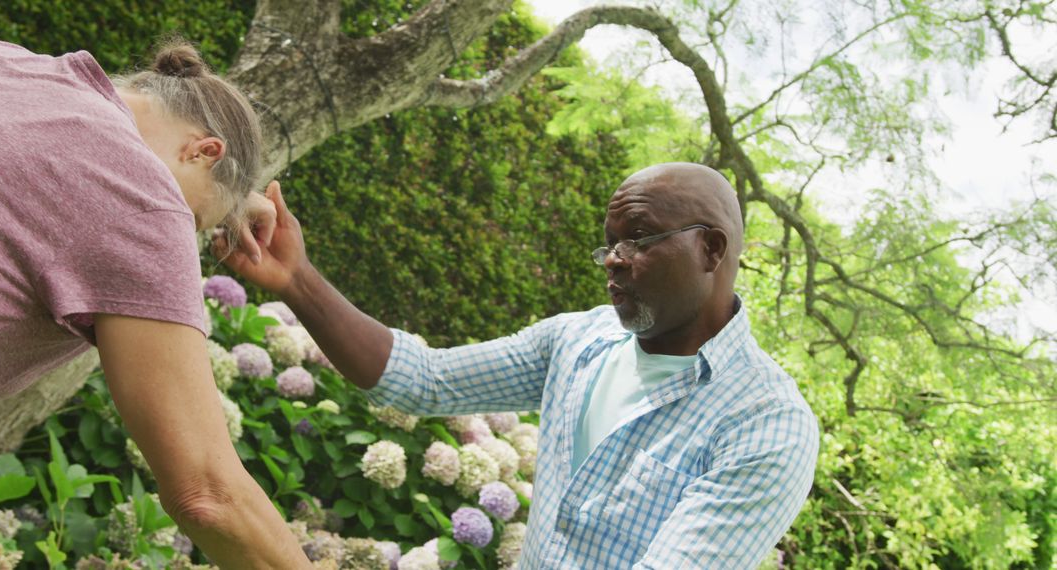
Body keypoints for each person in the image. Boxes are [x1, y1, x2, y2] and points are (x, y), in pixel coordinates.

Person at [224, 163, 819, 568]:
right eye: (609, 243)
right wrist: (296, 278)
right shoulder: (576, 341)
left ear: (711, 249)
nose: (613, 261)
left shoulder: (764, 424)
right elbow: (424, 380)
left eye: (637, 239)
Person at [0, 38, 311, 567]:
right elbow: (209, 497)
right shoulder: (146, 202)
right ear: (205, 151)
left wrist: (222, 197)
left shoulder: (14, 66)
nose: (184, 234)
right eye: (196, 226)